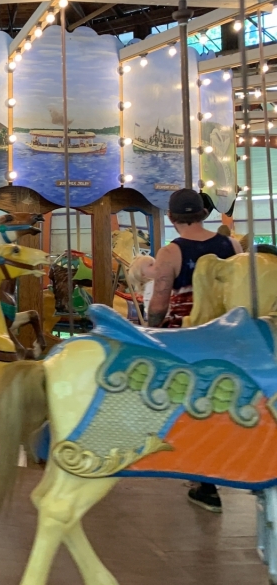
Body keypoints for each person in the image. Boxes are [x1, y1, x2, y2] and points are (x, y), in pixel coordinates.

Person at [147, 188, 241, 513]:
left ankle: (205, 481)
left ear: (172, 218)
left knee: (186, 401)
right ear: (204, 213)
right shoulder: (232, 245)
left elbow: (158, 305)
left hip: (188, 333)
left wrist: (149, 331)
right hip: (230, 334)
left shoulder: (170, 252)